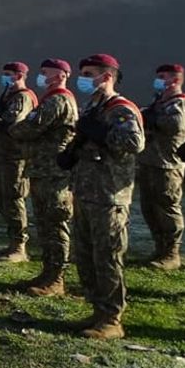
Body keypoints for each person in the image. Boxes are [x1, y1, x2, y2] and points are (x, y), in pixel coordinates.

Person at [60, 53, 144, 340]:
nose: (82, 78)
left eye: (88, 73)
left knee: (107, 256)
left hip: (109, 196)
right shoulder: (92, 106)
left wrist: (99, 131)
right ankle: (97, 310)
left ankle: (111, 319)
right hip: (85, 192)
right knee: (86, 255)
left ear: (107, 76)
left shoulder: (120, 109)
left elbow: (134, 143)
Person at [10, 58, 77, 296]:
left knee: (55, 224)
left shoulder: (58, 100)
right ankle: (47, 272)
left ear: (60, 75)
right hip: (42, 169)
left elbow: (28, 128)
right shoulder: (50, 99)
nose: (41, 76)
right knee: (45, 224)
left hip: (54, 172)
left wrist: (15, 127)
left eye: (46, 72)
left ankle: (56, 278)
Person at [137, 63, 185, 270]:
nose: (158, 80)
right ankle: (159, 248)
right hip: (149, 161)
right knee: (149, 208)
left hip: (168, 164)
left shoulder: (181, 103)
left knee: (167, 208)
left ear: (175, 80)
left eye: (163, 76)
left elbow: (175, 124)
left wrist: (151, 118)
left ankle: (171, 253)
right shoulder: (158, 102)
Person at [0, 62, 38, 262]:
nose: (5, 78)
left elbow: (13, 121)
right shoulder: (8, 96)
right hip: (3, 156)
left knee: (14, 199)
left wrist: (0, 115)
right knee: (4, 201)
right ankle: (12, 242)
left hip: (15, 157)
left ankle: (19, 246)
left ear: (19, 75)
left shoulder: (23, 96)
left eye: (8, 74)